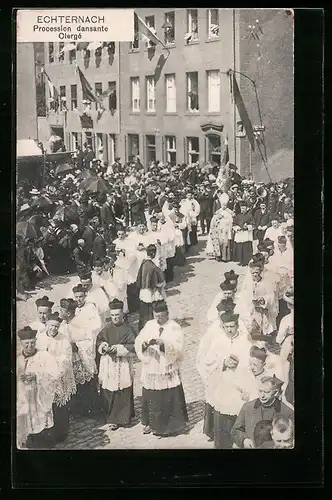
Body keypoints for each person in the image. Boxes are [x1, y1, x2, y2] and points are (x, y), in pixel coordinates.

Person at [197, 311, 252, 448]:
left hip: (240, 386)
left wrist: (240, 365)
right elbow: (208, 362)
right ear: (222, 326)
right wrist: (223, 363)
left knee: (239, 419)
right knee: (223, 420)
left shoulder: (245, 341)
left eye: (232, 326)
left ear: (237, 325)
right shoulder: (218, 342)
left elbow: (250, 363)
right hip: (223, 386)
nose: (229, 329)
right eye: (226, 326)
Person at [135, 301, 189, 436]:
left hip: (167, 365)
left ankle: (172, 426)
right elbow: (139, 340)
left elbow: (179, 347)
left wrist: (164, 345)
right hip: (152, 365)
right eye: (156, 316)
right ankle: (152, 424)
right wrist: (144, 345)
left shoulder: (174, 327)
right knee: (152, 396)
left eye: (161, 316)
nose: (158, 319)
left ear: (167, 314)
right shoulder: (149, 325)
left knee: (169, 395)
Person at [17, 326, 60, 449]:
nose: (30, 346)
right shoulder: (18, 359)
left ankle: (45, 444)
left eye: (32, 343)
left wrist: (37, 376)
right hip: (24, 397)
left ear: (35, 342)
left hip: (40, 396)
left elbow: (55, 374)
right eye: (26, 343)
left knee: (42, 422)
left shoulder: (45, 356)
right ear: (21, 343)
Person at [35, 312, 75, 444]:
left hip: (59, 378)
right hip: (43, 378)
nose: (53, 329)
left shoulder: (63, 340)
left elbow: (66, 359)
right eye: (51, 326)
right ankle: (46, 433)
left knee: (59, 406)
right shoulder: (39, 338)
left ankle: (61, 433)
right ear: (46, 324)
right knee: (46, 405)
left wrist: (52, 362)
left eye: (56, 327)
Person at [96, 299, 136, 430]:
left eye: (117, 315)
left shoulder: (128, 329)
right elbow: (99, 340)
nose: (115, 318)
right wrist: (103, 346)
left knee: (122, 389)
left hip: (122, 363)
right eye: (112, 315)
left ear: (123, 315)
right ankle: (110, 417)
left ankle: (122, 418)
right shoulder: (106, 328)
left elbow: (134, 346)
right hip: (108, 363)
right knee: (108, 388)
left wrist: (119, 348)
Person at [231, 375, 294, 448]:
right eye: (260, 391)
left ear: (275, 392)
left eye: (266, 392)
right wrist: (244, 439)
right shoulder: (248, 407)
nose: (262, 395)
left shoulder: (287, 412)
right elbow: (235, 430)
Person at [69, 284, 103, 417]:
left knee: (90, 375)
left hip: (88, 343)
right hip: (78, 348)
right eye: (76, 297)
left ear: (85, 296)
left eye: (81, 296)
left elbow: (96, 326)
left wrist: (85, 333)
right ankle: (81, 407)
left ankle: (94, 407)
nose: (78, 299)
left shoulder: (90, 308)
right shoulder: (74, 310)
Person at [136, 244, 166, 331]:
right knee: (150, 311)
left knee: (144, 310)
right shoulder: (151, 265)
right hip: (150, 291)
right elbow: (156, 281)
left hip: (144, 291)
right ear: (153, 253)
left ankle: (143, 327)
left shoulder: (144, 263)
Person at [206, 193, 233, 262]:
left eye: (225, 204)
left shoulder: (230, 212)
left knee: (226, 244)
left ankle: (226, 257)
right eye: (222, 204)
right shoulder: (218, 212)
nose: (224, 206)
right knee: (219, 243)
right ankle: (219, 256)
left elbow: (232, 220)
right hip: (219, 231)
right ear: (220, 205)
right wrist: (218, 219)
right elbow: (213, 221)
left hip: (227, 230)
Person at [232, 202, 254, 266]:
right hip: (239, 233)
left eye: (244, 208)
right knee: (240, 248)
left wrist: (247, 227)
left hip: (246, 234)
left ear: (246, 209)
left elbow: (253, 224)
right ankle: (240, 261)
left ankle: (246, 261)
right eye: (242, 208)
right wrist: (237, 228)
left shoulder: (249, 215)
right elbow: (234, 224)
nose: (243, 210)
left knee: (246, 248)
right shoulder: (238, 216)